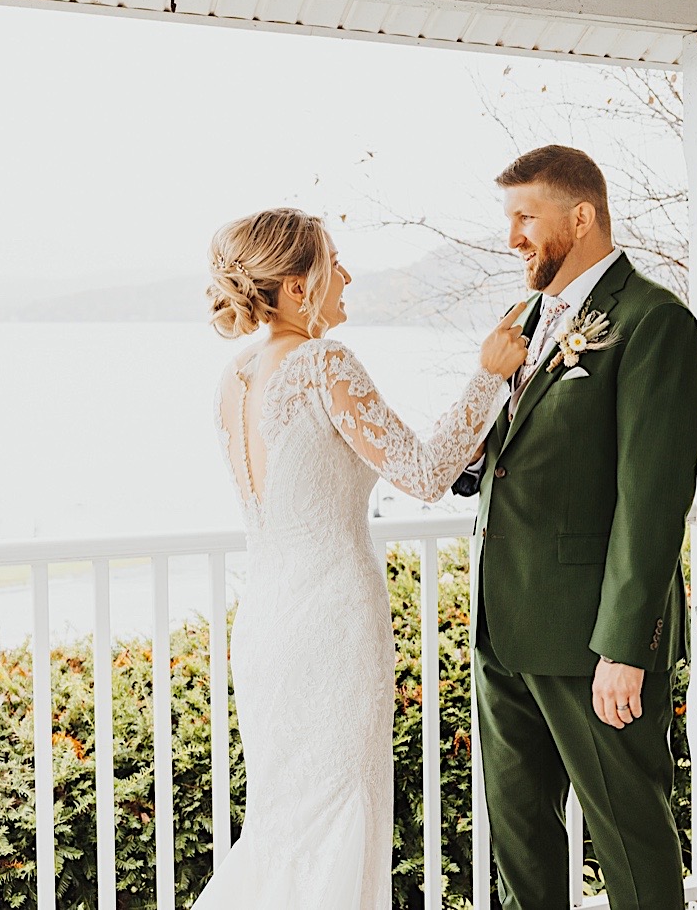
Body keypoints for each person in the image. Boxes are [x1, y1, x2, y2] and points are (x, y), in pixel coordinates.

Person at [193, 207, 528, 908]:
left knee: (287, 821)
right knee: (342, 809)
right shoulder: (323, 362)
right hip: (331, 622)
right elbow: (427, 472)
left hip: (265, 623)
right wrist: (489, 375)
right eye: (333, 262)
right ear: (294, 288)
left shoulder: (235, 377)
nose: (346, 275)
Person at [454, 146, 697, 910]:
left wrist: (623, 648)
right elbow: (496, 462)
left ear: (581, 217)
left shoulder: (656, 323)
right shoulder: (523, 321)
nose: (512, 238)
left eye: (524, 218)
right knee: (520, 841)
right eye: (509, 220)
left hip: (596, 640)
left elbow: (652, 501)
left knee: (630, 837)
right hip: (505, 628)